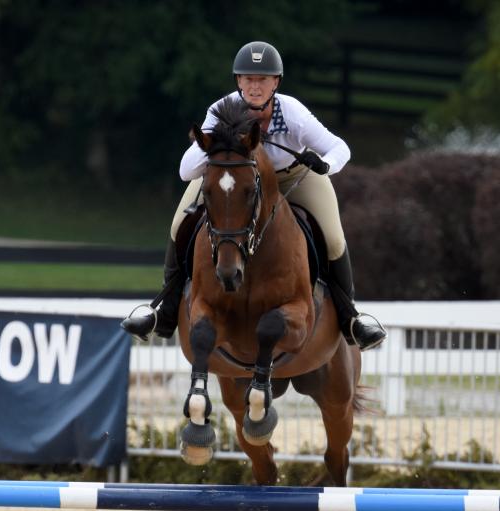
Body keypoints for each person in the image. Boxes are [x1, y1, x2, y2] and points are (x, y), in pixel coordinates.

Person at [122, 41, 385, 350]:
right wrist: (213, 143)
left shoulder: (293, 113)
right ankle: (162, 312)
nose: (255, 86)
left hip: (294, 178)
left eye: (262, 79)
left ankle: (351, 318)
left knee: (334, 237)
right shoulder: (222, 110)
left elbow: (340, 147)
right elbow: (185, 171)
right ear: (238, 81)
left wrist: (325, 164)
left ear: (276, 82)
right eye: (248, 78)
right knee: (179, 224)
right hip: (235, 179)